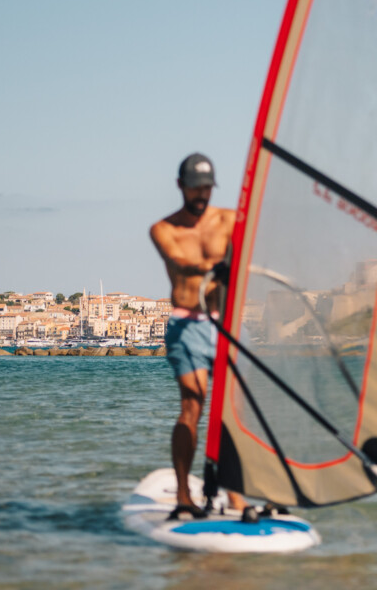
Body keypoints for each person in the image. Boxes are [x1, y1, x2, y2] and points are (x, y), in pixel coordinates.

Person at [149, 153, 244, 519]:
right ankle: (184, 494)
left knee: (234, 410)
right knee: (193, 404)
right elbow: (178, 262)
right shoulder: (164, 228)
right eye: (195, 188)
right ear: (181, 187)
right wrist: (212, 266)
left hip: (227, 323)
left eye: (207, 188)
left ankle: (236, 495)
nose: (202, 195)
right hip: (187, 323)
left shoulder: (230, 220)